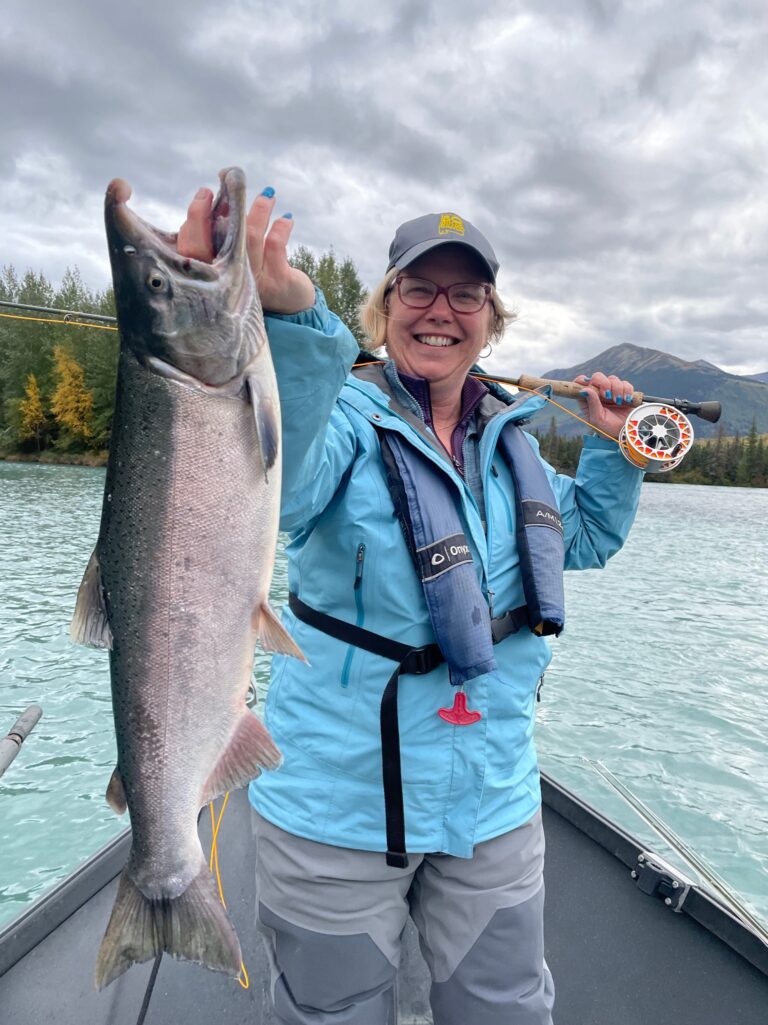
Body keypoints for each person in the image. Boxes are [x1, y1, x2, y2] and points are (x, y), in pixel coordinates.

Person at [178, 185, 644, 1025]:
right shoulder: (341, 422)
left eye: (466, 294)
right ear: (385, 304)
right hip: (336, 806)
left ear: (491, 319)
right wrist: (294, 316)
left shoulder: (515, 444)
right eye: (418, 288)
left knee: (505, 1009)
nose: (441, 310)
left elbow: (587, 538)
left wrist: (615, 448)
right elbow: (278, 487)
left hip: (490, 801)